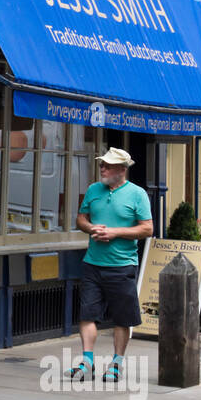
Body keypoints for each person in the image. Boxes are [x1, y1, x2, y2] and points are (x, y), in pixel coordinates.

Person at [68, 147, 153, 383]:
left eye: (107, 165)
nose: (102, 168)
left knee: (122, 318)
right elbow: (81, 218)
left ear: (122, 170)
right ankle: (87, 361)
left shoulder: (137, 194)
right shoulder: (94, 190)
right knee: (87, 314)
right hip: (92, 263)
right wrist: (90, 227)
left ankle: (116, 363)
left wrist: (115, 232)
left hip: (122, 265)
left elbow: (147, 228)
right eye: (102, 165)